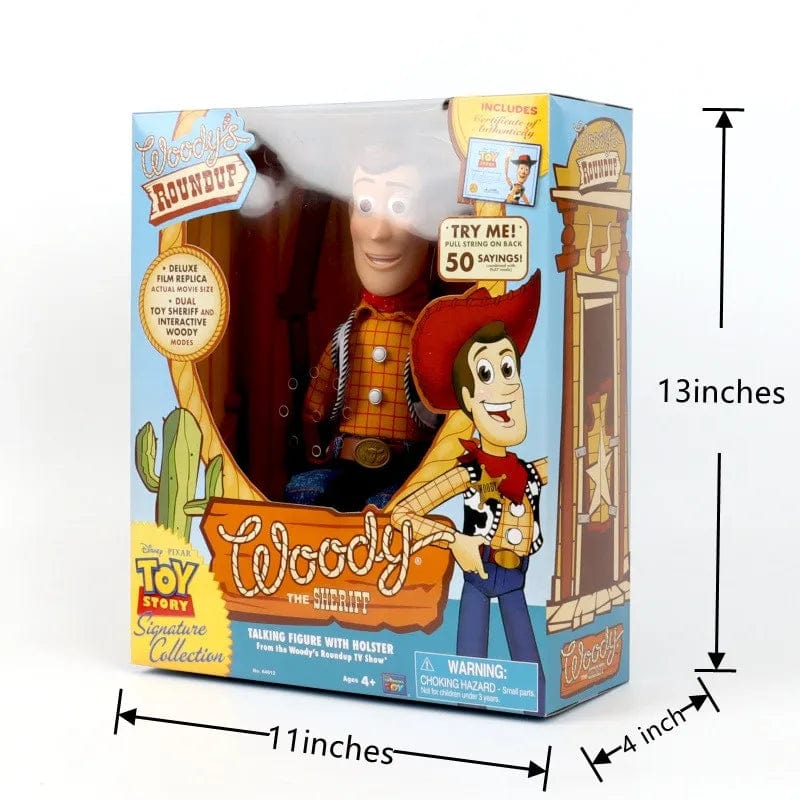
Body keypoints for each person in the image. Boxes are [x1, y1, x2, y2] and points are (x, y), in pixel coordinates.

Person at [391, 274, 546, 681]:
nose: (505, 389)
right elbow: (404, 514)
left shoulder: (531, 471)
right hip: (478, 572)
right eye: (487, 374)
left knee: (529, 666)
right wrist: (455, 540)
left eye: (508, 369)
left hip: (517, 577)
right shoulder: (468, 471)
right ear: (467, 400)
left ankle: (532, 700)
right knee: (468, 664)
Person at [285, 143, 440, 511]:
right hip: (346, 460)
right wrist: (310, 439)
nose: (379, 232)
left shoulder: (431, 336)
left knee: (390, 507)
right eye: (366, 206)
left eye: (400, 207)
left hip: (407, 469)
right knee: (306, 492)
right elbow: (317, 402)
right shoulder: (348, 334)